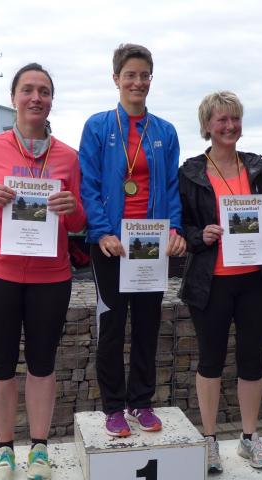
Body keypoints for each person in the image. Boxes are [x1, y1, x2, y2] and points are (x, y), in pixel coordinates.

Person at [0, 63, 86, 480]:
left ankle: (39, 447)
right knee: (0, 365)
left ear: (51, 101)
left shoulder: (67, 156)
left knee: (42, 364)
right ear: (13, 98)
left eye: (44, 91)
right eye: (28, 90)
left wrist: (72, 209)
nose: (36, 97)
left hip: (51, 275)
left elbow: (80, 222)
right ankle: (3, 449)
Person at [79, 43, 186, 437]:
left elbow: (171, 186)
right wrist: (101, 232)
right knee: (111, 327)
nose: (137, 82)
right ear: (116, 79)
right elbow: (88, 184)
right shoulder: (97, 126)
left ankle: (140, 402)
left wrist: (174, 230)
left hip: (150, 244)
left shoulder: (165, 131)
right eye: (130, 75)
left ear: (150, 79)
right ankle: (113, 408)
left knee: (146, 326)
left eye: (144, 75)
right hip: (112, 245)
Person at [178, 91, 262, 472]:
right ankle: (209, 439)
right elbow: (181, 226)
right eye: (221, 119)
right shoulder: (190, 172)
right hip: (211, 283)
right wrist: (199, 235)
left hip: (255, 282)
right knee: (211, 361)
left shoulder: (257, 169)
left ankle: (249, 437)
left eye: (235, 118)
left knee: (252, 361)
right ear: (207, 125)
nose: (230, 126)